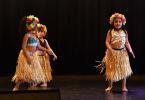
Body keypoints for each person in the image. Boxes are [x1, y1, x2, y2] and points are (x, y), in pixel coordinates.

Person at [12, 15, 50, 91]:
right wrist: (28, 56)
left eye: (35, 25)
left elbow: (38, 46)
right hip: (26, 56)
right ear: (28, 26)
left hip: (33, 56)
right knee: (22, 74)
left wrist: (46, 50)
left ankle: (31, 89)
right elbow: (23, 47)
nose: (35, 26)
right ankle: (16, 87)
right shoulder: (27, 35)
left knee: (34, 76)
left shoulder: (35, 36)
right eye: (32, 25)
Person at [103, 13, 135, 92]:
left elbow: (127, 42)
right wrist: (110, 49)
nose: (118, 23)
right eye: (116, 22)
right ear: (113, 23)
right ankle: (110, 86)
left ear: (122, 22)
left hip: (122, 53)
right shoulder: (110, 31)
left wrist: (131, 51)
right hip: (112, 53)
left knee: (123, 69)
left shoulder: (125, 32)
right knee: (111, 69)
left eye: (119, 21)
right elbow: (107, 42)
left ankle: (124, 87)